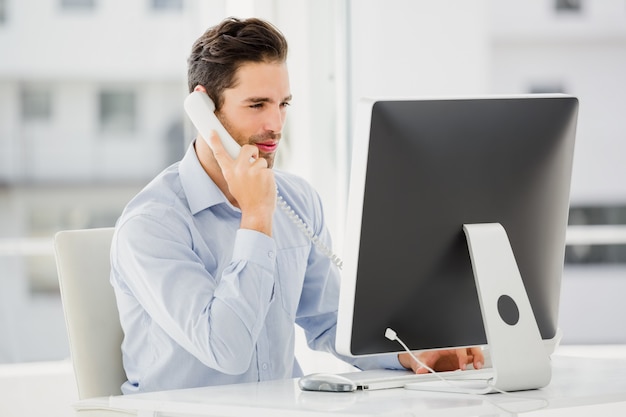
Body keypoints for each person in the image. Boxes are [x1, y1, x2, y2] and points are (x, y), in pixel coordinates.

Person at [110, 16, 483, 394]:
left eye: (282, 104)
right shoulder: (152, 224)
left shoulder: (297, 200)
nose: (275, 124)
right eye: (257, 105)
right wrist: (256, 217)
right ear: (203, 108)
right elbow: (226, 349)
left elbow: (329, 320)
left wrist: (410, 353)